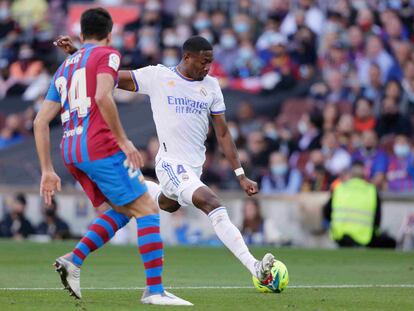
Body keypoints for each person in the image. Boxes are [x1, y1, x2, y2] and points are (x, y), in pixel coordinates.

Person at [55, 35, 276, 285]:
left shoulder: (212, 86)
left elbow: (223, 133)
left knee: (168, 203)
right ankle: (255, 267)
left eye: (210, 62)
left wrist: (240, 174)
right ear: (187, 57)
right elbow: (112, 75)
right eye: (203, 62)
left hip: (193, 168)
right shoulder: (158, 77)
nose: (207, 67)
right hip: (170, 164)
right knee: (212, 203)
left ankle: (141, 191)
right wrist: (78, 53)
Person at [34, 8, 190, 306]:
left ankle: (74, 260)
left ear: (81, 35)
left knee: (124, 209)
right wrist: (123, 140)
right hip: (100, 147)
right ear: (110, 34)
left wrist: (46, 170)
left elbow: (40, 122)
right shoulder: (108, 53)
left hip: (71, 151)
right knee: (147, 207)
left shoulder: (66, 65)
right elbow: (103, 95)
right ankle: (154, 292)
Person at [323, 161, 396, 248]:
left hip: (340, 237)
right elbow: (377, 218)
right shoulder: (371, 190)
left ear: (350, 174)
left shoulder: (339, 189)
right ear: (364, 174)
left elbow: (326, 212)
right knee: (391, 242)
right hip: (365, 237)